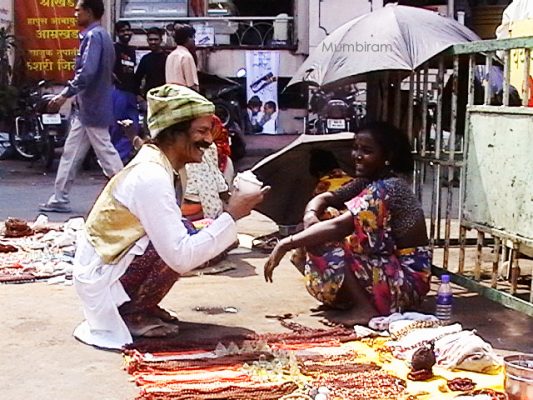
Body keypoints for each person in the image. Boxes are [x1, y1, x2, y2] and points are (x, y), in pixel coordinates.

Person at [72, 84, 269, 349]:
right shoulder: (151, 175)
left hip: (108, 267)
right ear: (173, 134)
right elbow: (179, 255)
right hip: (101, 280)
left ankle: (141, 305)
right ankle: (132, 312)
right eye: (201, 131)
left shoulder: (161, 163)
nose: (208, 141)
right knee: (185, 241)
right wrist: (232, 215)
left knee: (193, 230)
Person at [264, 122, 431, 316]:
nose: (357, 156)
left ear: (387, 157)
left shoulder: (390, 188)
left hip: (408, 283)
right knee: (317, 226)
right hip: (388, 270)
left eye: (366, 151)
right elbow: (327, 197)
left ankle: (364, 308)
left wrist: (285, 243)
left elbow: (339, 227)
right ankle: (343, 298)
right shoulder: (367, 181)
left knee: (328, 240)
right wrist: (310, 215)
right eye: (355, 148)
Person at [39, 0, 123, 213]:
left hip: (92, 106)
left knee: (107, 156)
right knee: (71, 153)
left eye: (78, 10)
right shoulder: (102, 36)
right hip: (88, 107)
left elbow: (86, 73)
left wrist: (63, 96)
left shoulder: (94, 37)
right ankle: (59, 198)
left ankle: (130, 195)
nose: (75, 14)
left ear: (89, 12)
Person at [110, 20, 139, 162]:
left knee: (134, 127)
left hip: (131, 93)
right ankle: (113, 160)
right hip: (117, 92)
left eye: (128, 30)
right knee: (117, 127)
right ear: (117, 33)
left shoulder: (132, 51)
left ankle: (118, 157)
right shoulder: (114, 48)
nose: (126, 33)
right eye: (122, 31)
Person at [134, 27, 168, 98]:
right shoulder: (145, 59)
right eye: (150, 40)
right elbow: (137, 79)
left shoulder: (167, 58)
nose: (153, 42)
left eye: (156, 39)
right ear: (147, 41)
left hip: (165, 97)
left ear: (161, 40)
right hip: (149, 98)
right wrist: (139, 97)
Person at [165, 24, 199, 91]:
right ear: (188, 39)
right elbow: (192, 84)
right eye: (193, 37)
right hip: (184, 96)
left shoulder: (170, 56)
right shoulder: (186, 56)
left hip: (170, 95)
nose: (194, 41)